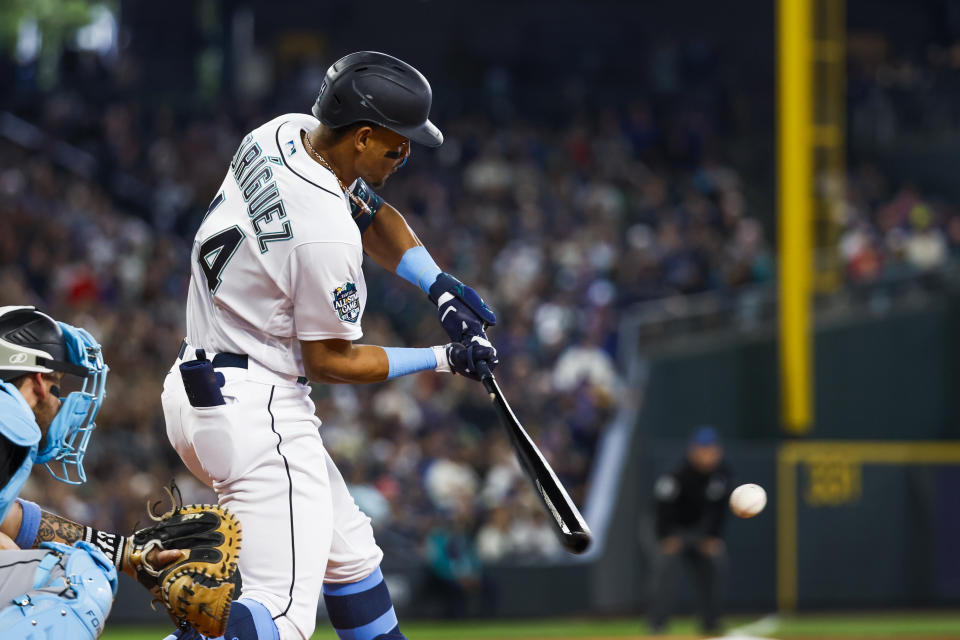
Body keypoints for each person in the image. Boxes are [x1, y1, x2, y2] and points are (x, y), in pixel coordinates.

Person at [162, 51, 499, 640]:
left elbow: (372, 214)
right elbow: (330, 361)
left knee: (351, 560)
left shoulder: (281, 133)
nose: (405, 155)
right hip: (259, 410)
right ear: (363, 137)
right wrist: (442, 359)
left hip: (202, 384)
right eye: (397, 145)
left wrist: (438, 287)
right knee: (283, 618)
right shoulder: (323, 230)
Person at [0, 306, 183, 638]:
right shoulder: (9, 417)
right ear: (39, 381)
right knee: (78, 579)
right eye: (59, 385)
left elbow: (13, 519)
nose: (60, 403)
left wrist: (125, 553)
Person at [649, 425, 732, 635]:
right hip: (673, 530)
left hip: (701, 533)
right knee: (666, 566)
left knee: (716, 560)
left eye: (711, 449)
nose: (708, 454)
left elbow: (720, 512)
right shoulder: (676, 474)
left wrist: (713, 537)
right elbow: (661, 508)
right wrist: (666, 536)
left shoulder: (722, 475)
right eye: (703, 449)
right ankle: (657, 624)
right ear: (692, 450)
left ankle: (711, 623)